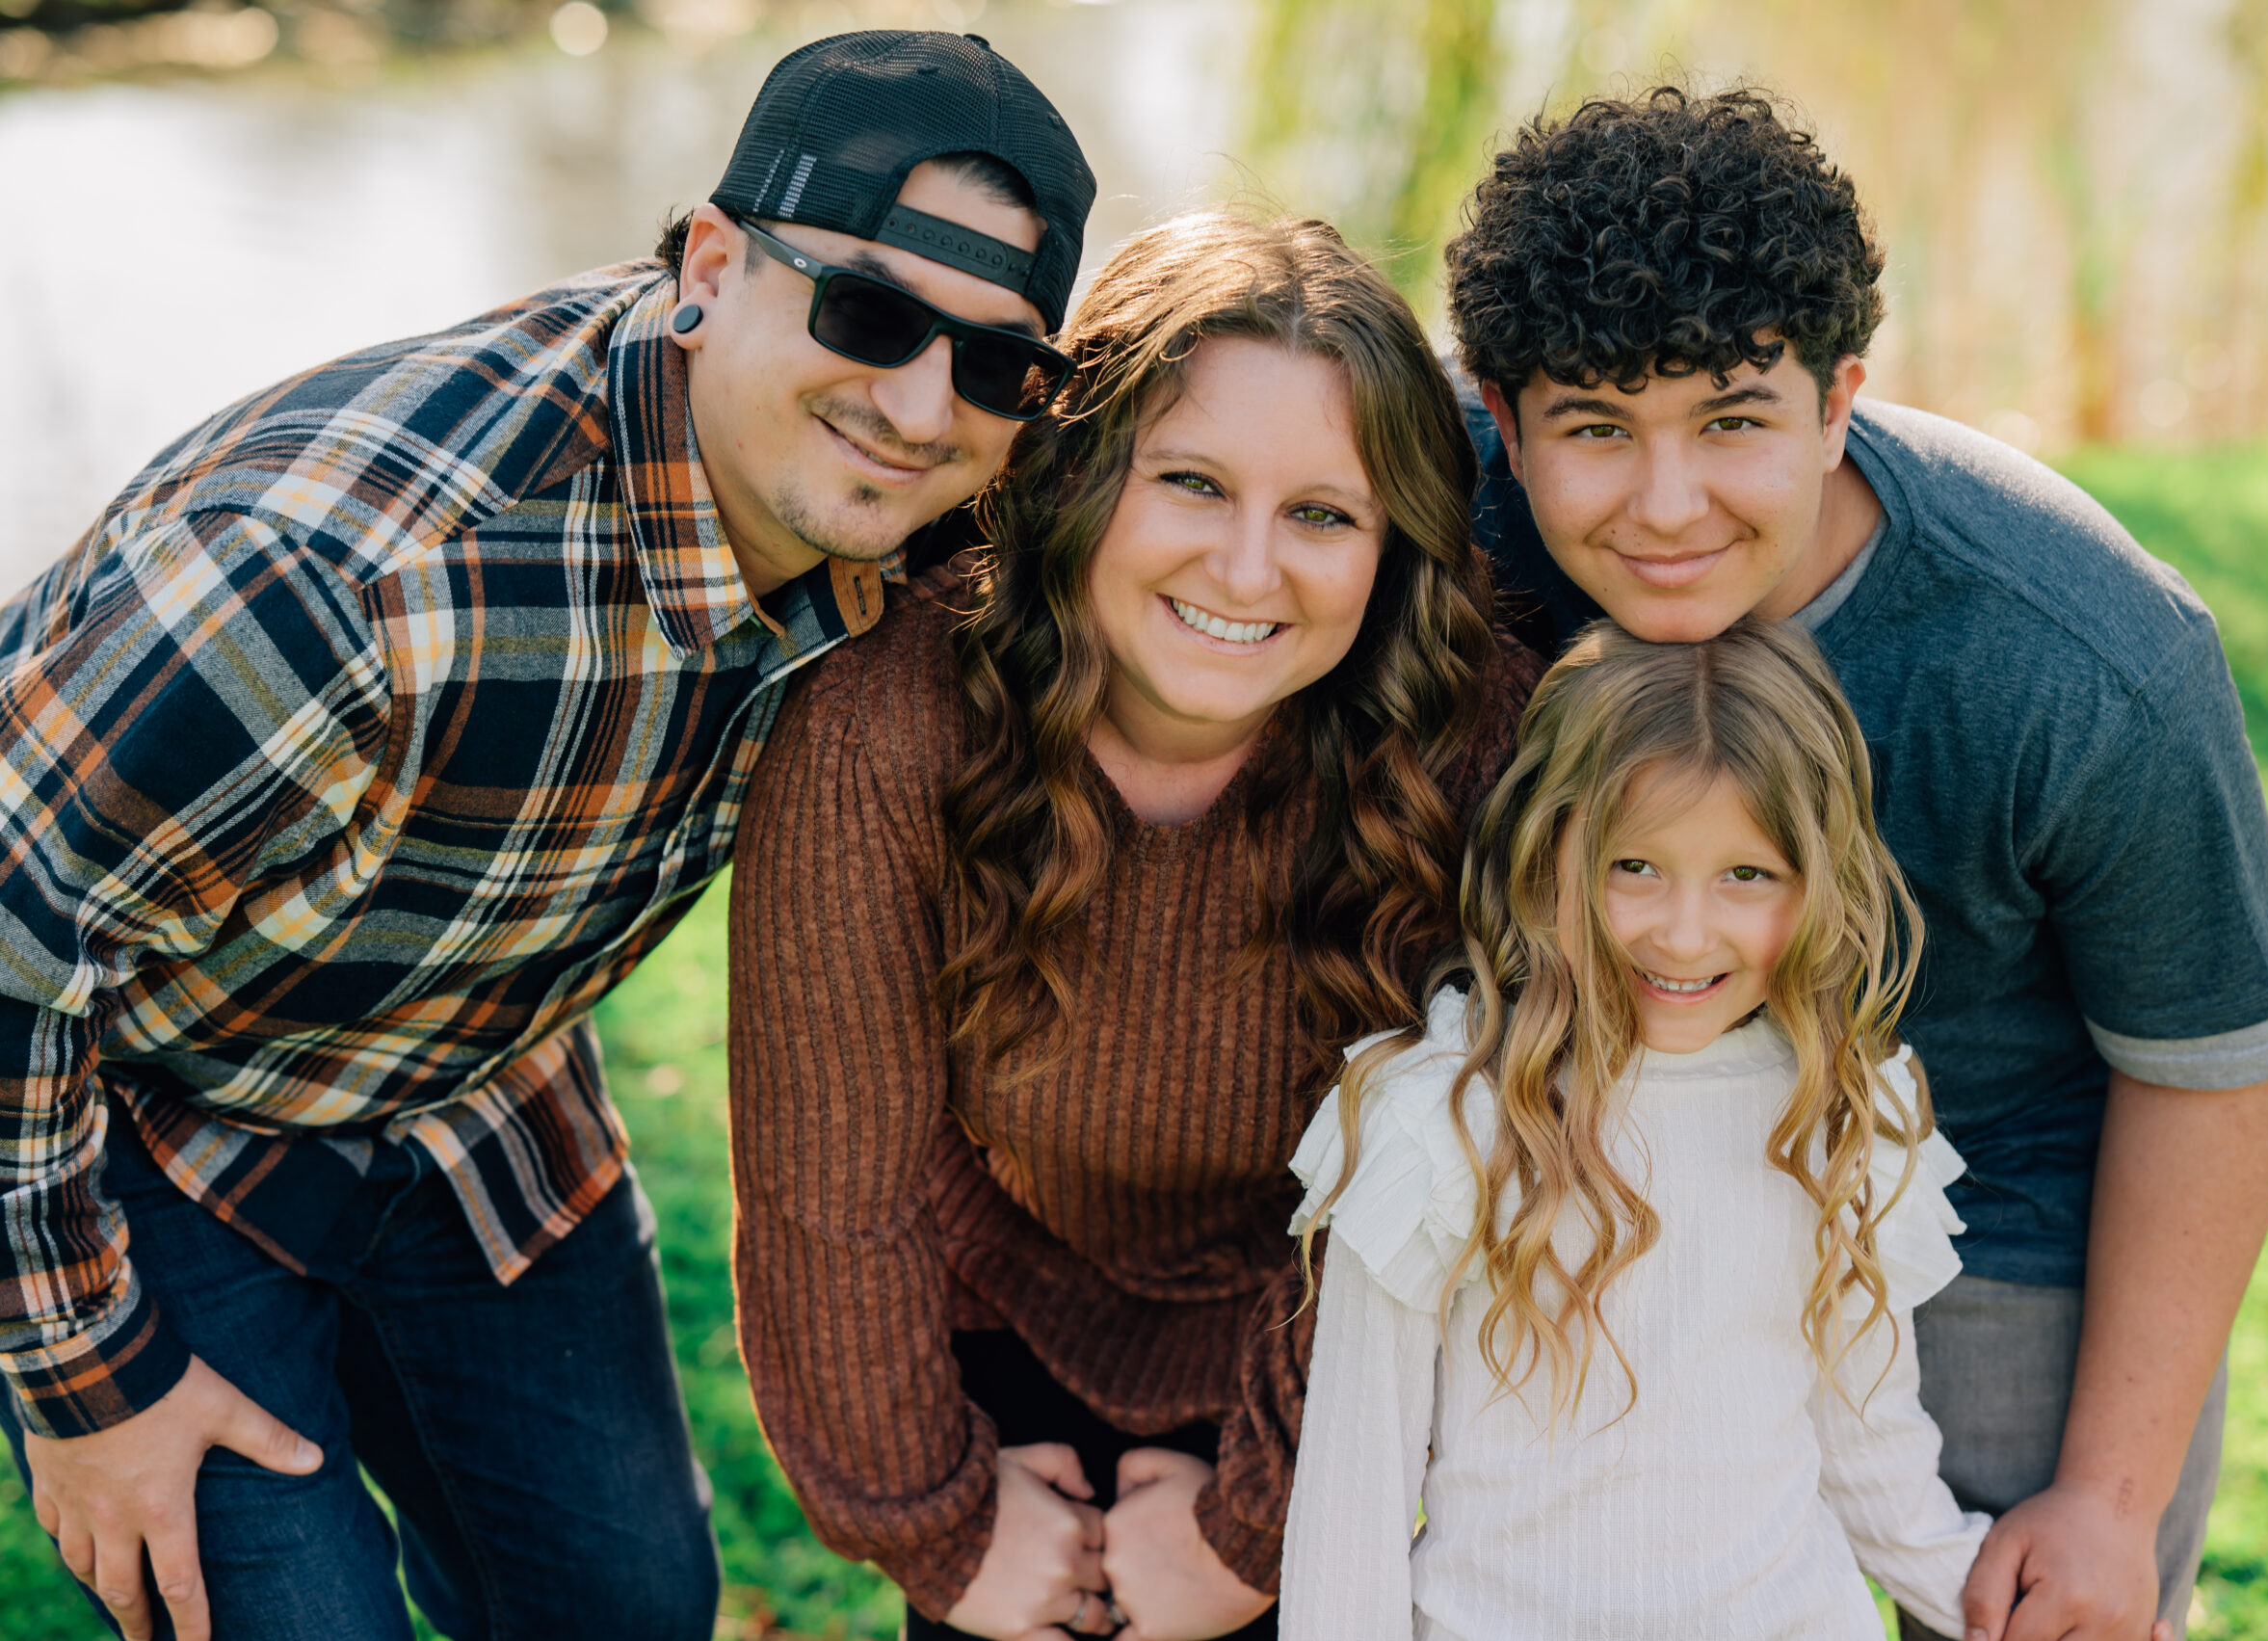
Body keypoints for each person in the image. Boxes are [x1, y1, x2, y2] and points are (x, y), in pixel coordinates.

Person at [0, 31, 1094, 1641]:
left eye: (1000, 362)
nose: (925, 406)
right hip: (157, 1124)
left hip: (478, 1095)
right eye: (866, 311)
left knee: (628, 1607)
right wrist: (83, 1381)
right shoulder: (338, 580)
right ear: (710, 264)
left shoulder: (911, 508)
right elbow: (13, 938)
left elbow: (1244, 505)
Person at [1446, 86, 2268, 1641]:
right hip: (1587, 1166)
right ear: (1501, 418)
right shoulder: (1434, 526)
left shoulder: (2090, 661)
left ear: (1840, 398)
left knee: (2053, 1608)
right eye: (1592, 428)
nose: (1663, 505)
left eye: (1731, 420)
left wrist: (2110, 1496)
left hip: (1997, 1213)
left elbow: (2213, 1065)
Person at [725, 209, 1543, 1641]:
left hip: (1334, 1349)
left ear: (1392, 538)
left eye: (1322, 513)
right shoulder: (884, 725)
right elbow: (831, 1188)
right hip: (999, 1312)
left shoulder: (1473, 749)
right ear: (1081, 476)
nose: (1245, 568)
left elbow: (1459, 1186)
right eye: (1192, 481)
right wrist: (941, 1523)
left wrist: (1260, 1519)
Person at [1283, 617, 1991, 1636]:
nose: (1684, 931)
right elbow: (1354, 1496)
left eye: (1746, 875)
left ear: (1821, 877)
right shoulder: (1445, 1112)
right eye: (1633, 867)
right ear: (1545, 849)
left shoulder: (1846, 1108)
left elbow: (1868, 1445)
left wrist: (2003, 1608)